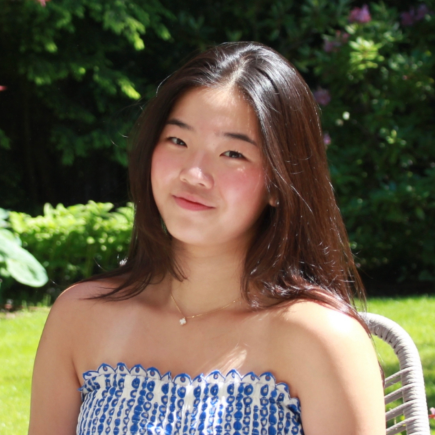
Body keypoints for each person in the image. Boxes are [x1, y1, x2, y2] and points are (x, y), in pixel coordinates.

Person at [28, 42, 385, 435]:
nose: (193, 174)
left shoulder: (323, 340)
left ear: (278, 183)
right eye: (178, 141)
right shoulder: (79, 317)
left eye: (232, 153)